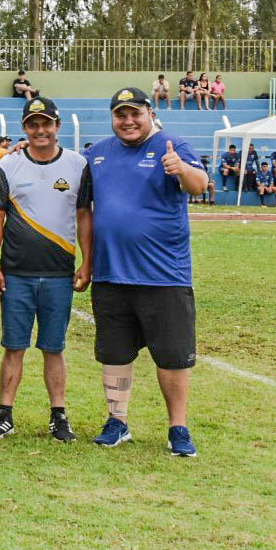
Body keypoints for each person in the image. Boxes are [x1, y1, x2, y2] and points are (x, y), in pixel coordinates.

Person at [78, 86, 206, 456]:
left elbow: (199, 185)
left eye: (135, 113)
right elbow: (84, 207)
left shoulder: (172, 145)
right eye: (121, 115)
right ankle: (117, 421)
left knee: (172, 356)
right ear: (113, 118)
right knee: (115, 354)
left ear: (149, 113)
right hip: (111, 274)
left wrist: (181, 170)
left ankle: (178, 428)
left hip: (163, 276)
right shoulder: (97, 153)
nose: (128, 121)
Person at [0, 97, 90, 443]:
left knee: (53, 347)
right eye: (33, 124)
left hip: (59, 273)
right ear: (24, 129)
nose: (40, 130)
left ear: (57, 126)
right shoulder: (10, 165)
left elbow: (84, 215)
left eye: (46, 123)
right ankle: (4, 414)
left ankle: (58, 416)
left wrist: (88, 261)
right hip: (15, 274)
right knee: (14, 346)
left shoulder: (77, 164)